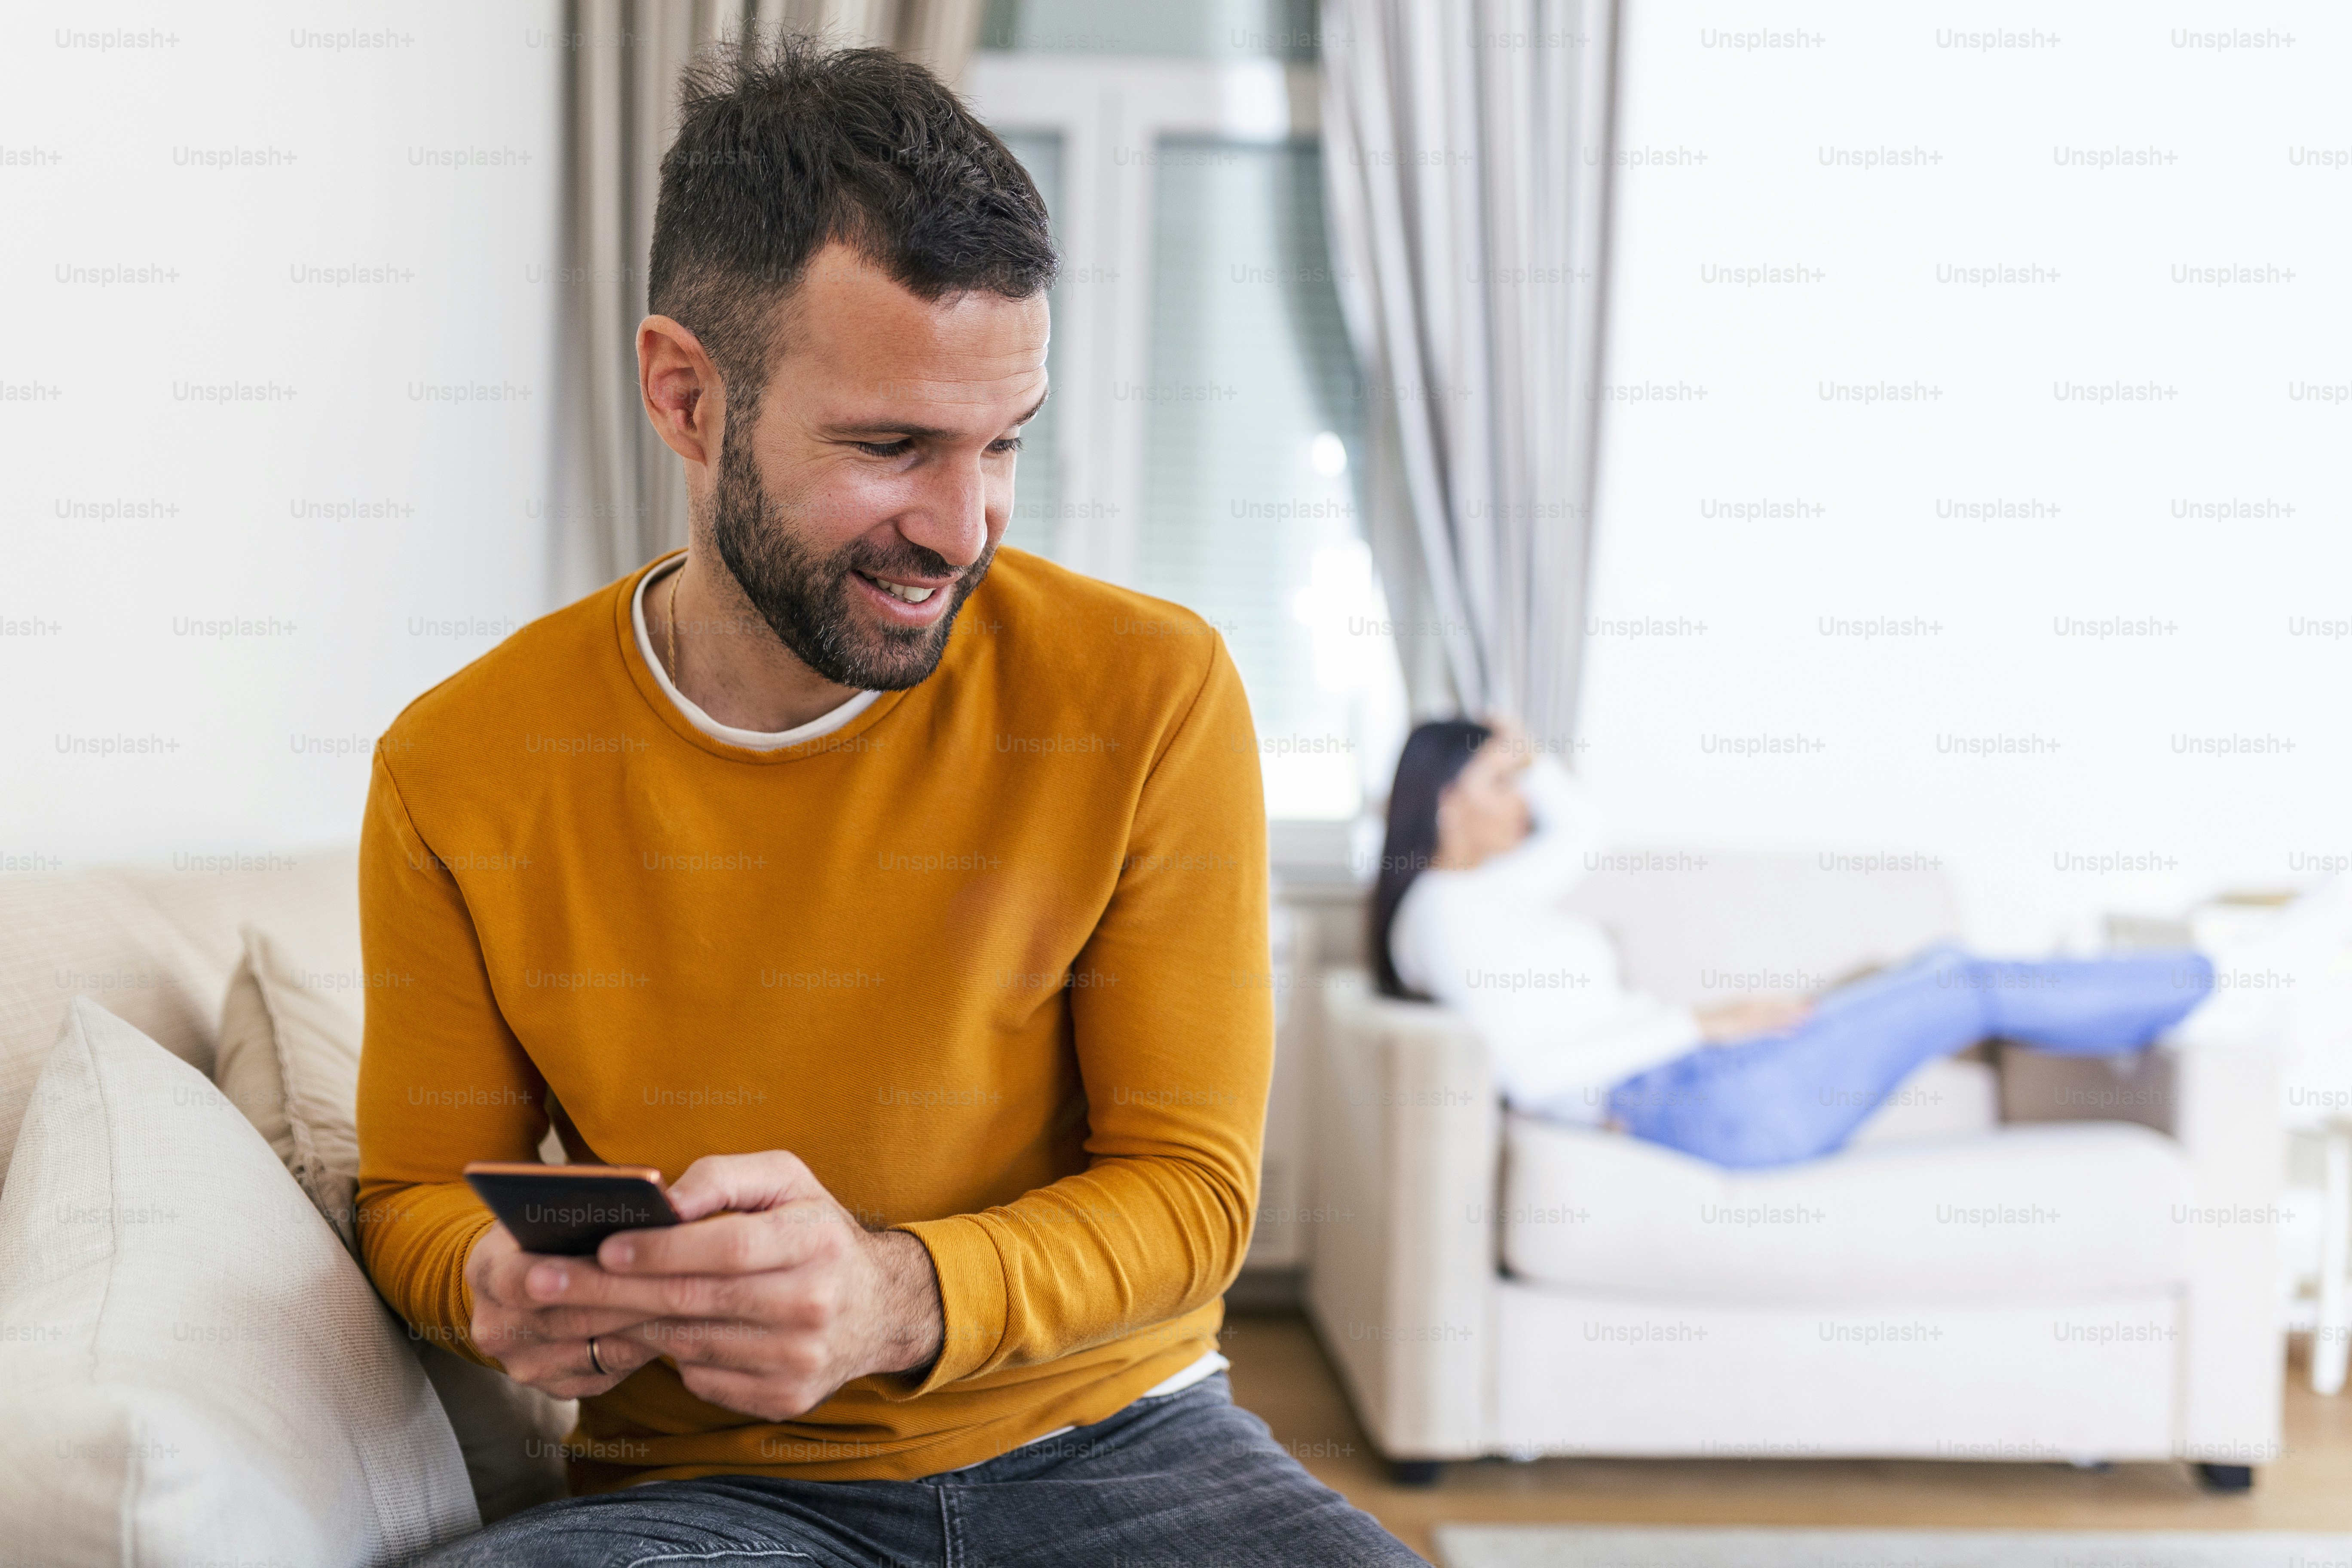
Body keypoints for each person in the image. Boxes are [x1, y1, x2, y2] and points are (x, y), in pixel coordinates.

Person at [357, 36, 1425, 1568]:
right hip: (708, 1498)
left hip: (1120, 1440)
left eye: (1003, 445)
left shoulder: (1150, 691)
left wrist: (889, 1293)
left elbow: (1193, 1194)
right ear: (685, 395)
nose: (962, 525)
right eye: (890, 446)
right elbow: (411, 1191)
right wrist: (499, 1285)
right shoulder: (459, 763)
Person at [1371, 719, 2227, 1169]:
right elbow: (1534, 1071)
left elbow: (1585, 836)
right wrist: (1702, 1025)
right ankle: (2219, 985)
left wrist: (1531, 755)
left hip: (1700, 1083)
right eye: (1501, 784)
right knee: (1958, 980)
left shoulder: (1479, 897)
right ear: (1447, 801)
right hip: (1689, 1095)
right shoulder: (1444, 915)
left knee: (1941, 968)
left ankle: (2184, 995)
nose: (1523, 803)